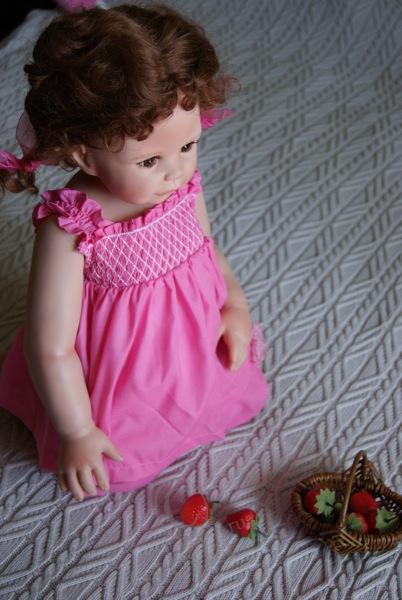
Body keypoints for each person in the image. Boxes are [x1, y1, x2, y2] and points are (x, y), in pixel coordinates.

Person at [0, 3, 269, 501]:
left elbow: (206, 250)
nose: (176, 171)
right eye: (149, 160)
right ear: (84, 154)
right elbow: (51, 345)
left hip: (192, 342)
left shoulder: (180, 187)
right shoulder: (71, 225)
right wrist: (78, 431)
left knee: (221, 388)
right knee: (118, 460)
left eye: (187, 146)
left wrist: (234, 304)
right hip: (124, 369)